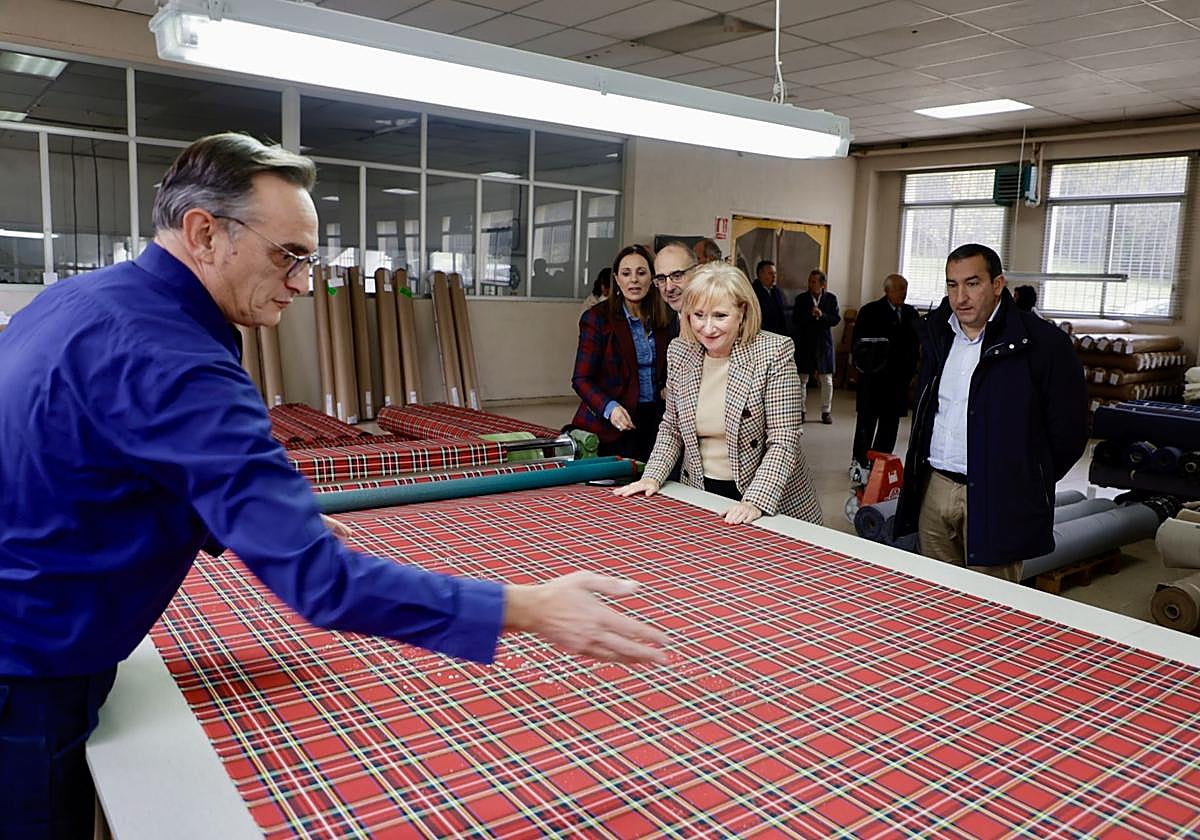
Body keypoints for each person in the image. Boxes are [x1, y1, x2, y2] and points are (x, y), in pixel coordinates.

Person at [0, 133, 667, 837]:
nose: (302, 282)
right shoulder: (179, 359)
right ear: (203, 233)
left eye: (309, 260)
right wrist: (529, 608)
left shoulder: (76, 301)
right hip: (29, 671)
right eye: (287, 256)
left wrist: (254, 519)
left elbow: (91, 462)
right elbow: (324, 585)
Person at [892, 243, 1087, 581]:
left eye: (972, 283)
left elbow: (1069, 431)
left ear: (998, 285)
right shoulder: (939, 333)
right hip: (936, 485)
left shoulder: (1043, 344)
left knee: (990, 606)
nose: (960, 297)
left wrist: (1025, 479)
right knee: (933, 594)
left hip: (999, 494)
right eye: (952, 285)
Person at [614, 263, 822, 526]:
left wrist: (754, 501)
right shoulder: (680, 351)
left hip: (768, 498)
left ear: (742, 311)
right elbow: (671, 428)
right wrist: (652, 476)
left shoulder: (773, 352)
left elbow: (784, 439)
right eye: (698, 315)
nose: (708, 328)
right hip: (701, 492)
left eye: (720, 316)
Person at [571, 244, 672, 460]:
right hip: (610, 425)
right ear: (617, 279)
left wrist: (664, 388)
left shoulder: (666, 320)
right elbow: (581, 379)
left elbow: (664, 372)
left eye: (641, 272)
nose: (634, 279)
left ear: (652, 278)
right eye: (626, 273)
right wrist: (610, 408)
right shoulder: (597, 319)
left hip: (654, 423)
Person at [851, 273, 919, 468]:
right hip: (874, 378)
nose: (903, 293)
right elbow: (860, 346)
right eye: (899, 289)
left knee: (890, 425)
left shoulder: (910, 313)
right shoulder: (870, 311)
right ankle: (860, 462)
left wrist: (912, 371)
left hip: (898, 379)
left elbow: (914, 345)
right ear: (887, 290)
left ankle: (881, 463)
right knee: (867, 423)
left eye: (905, 289)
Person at [792, 268, 840, 424]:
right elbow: (796, 319)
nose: (810, 284)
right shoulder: (801, 299)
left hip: (823, 343)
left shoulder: (831, 299)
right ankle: (801, 410)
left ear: (822, 284)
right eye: (809, 281)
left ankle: (826, 411)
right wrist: (810, 315)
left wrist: (822, 315)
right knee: (802, 378)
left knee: (826, 379)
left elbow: (836, 319)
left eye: (814, 282)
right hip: (806, 342)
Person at [652, 240, 698, 339]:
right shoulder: (665, 329)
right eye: (661, 279)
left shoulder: (717, 324)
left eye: (677, 276)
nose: (669, 288)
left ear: (697, 273)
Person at [751, 259, 788, 336]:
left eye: (775, 273)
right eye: (770, 273)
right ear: (760, 274)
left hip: (777, 335)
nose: (774, 276)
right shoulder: (753, 292)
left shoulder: (776, 291)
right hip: (762, 335)